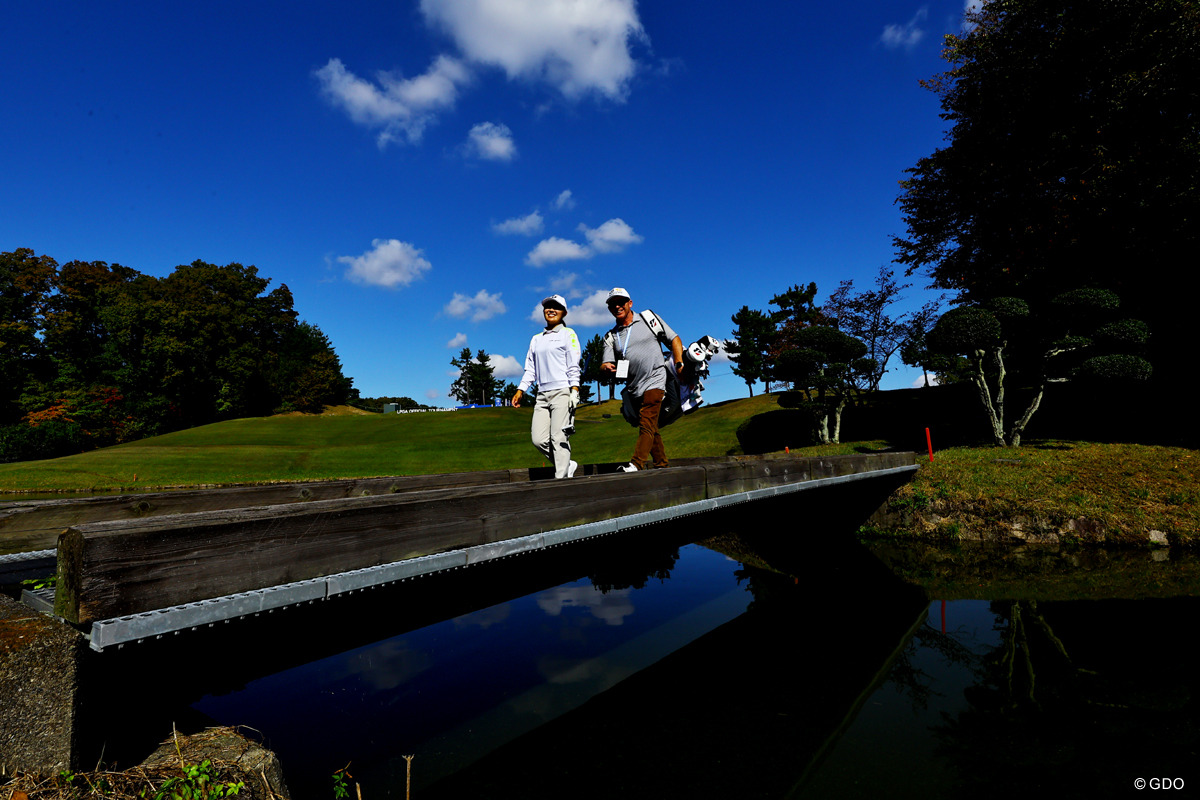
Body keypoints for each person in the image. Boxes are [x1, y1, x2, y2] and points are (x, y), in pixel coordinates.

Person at [600, 287, 684, 472]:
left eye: (621, 302)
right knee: (650, 427)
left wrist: (678, 362)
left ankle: (636, 464)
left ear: (630, 304)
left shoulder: (648, 319)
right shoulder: (611, 336)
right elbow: (605, 362)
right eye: (612, 304)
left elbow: (674, 339)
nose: (617, 306)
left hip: (656, 379)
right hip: (634, 387)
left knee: (647, 421)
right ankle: (662, 465)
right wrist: (606, 367)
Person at [511, 294, 581, 478]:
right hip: (542, 395)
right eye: (547, 307)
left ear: (564, 313)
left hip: (563, 392)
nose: (551, 310)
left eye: (556, 307)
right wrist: (520, 390)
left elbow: (574, 365)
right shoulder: (536, 339)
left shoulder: (569, 334)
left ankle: (560, 481)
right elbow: (530, 370)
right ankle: (568, 465)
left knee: (559, 438)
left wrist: (575, 390)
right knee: (538, 439)